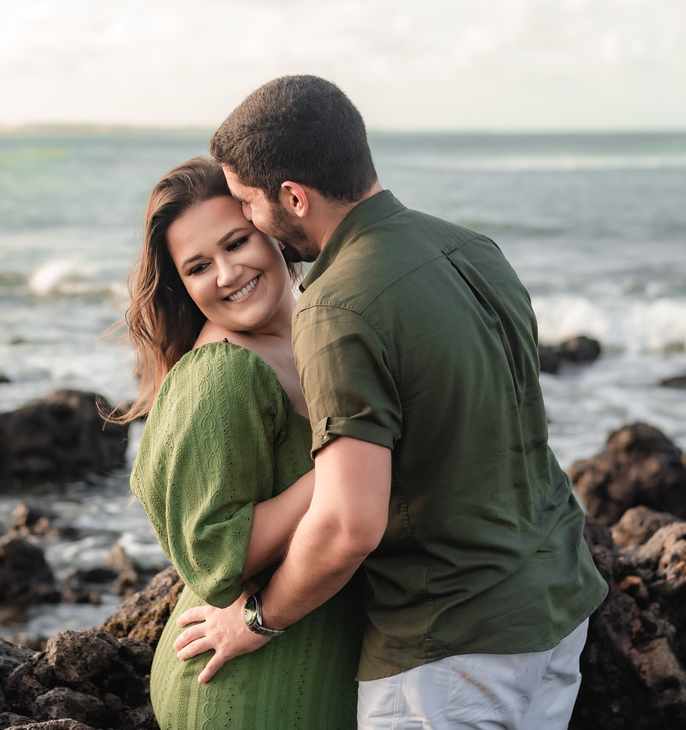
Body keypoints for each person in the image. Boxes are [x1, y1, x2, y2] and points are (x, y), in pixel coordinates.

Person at [171, 76, 609, 730]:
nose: (251, 221)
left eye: (247, 205)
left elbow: (350, 525)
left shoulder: (337, 305)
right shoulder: (473, 250)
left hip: (450, 657)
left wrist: (254, 621)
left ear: (292, 196)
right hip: (555, 612)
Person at [122, 156, 362, 729]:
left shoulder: (316, 329)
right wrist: (343, 469)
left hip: (317, 666)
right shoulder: (223, 373)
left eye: (237, 242)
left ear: (274, 232)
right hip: (243, 687)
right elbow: (214, 554)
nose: (227, 274)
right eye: (200, 265)